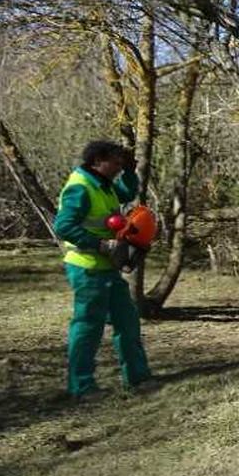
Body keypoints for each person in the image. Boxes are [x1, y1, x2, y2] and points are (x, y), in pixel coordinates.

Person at [53, 140, 153, 399]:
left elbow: (126, 193)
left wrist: (131, 172)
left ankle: (138, 377)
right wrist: (100, 244)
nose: (119, 166)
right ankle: (82, 386)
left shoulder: (103, 184)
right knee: (88, 326)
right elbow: (63, 226)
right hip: (87, 269)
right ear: (98, 160)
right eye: (116, 162)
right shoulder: (80, 188)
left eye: (122, 163)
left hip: (107, 268)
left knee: (127, 321)